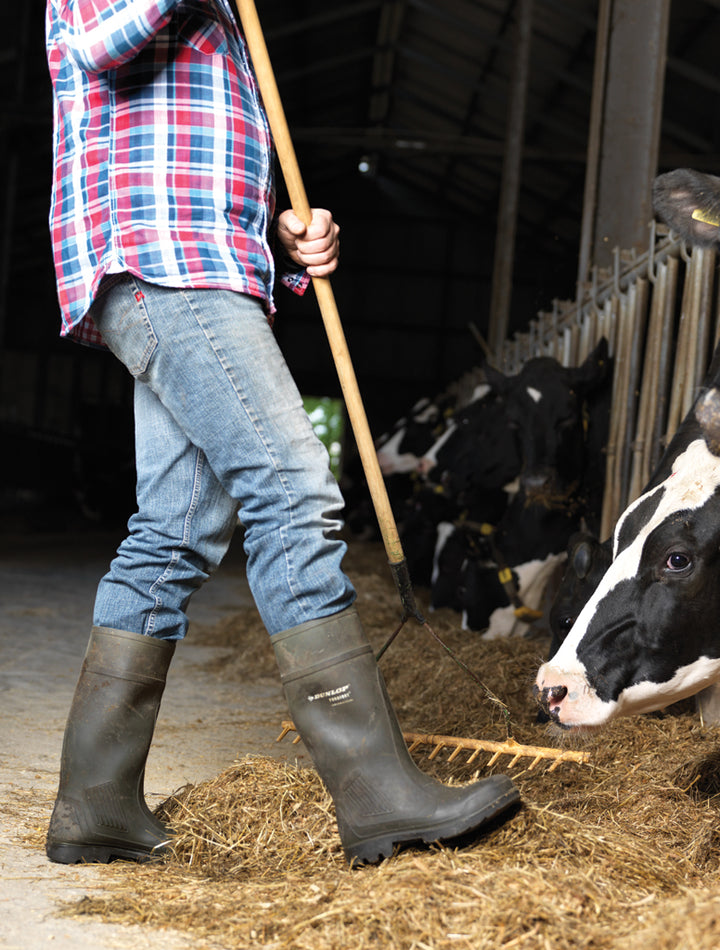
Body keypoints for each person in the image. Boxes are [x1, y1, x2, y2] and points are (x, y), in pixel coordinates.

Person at [43, 0, 520, 868]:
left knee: (173, 532)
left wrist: (286, 236)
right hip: (165, 264)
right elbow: (92, 45)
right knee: (296, 490)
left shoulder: (227, 21)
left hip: (198, 264)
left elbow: (186, 154)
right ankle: (377, 794)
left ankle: (94, 803)